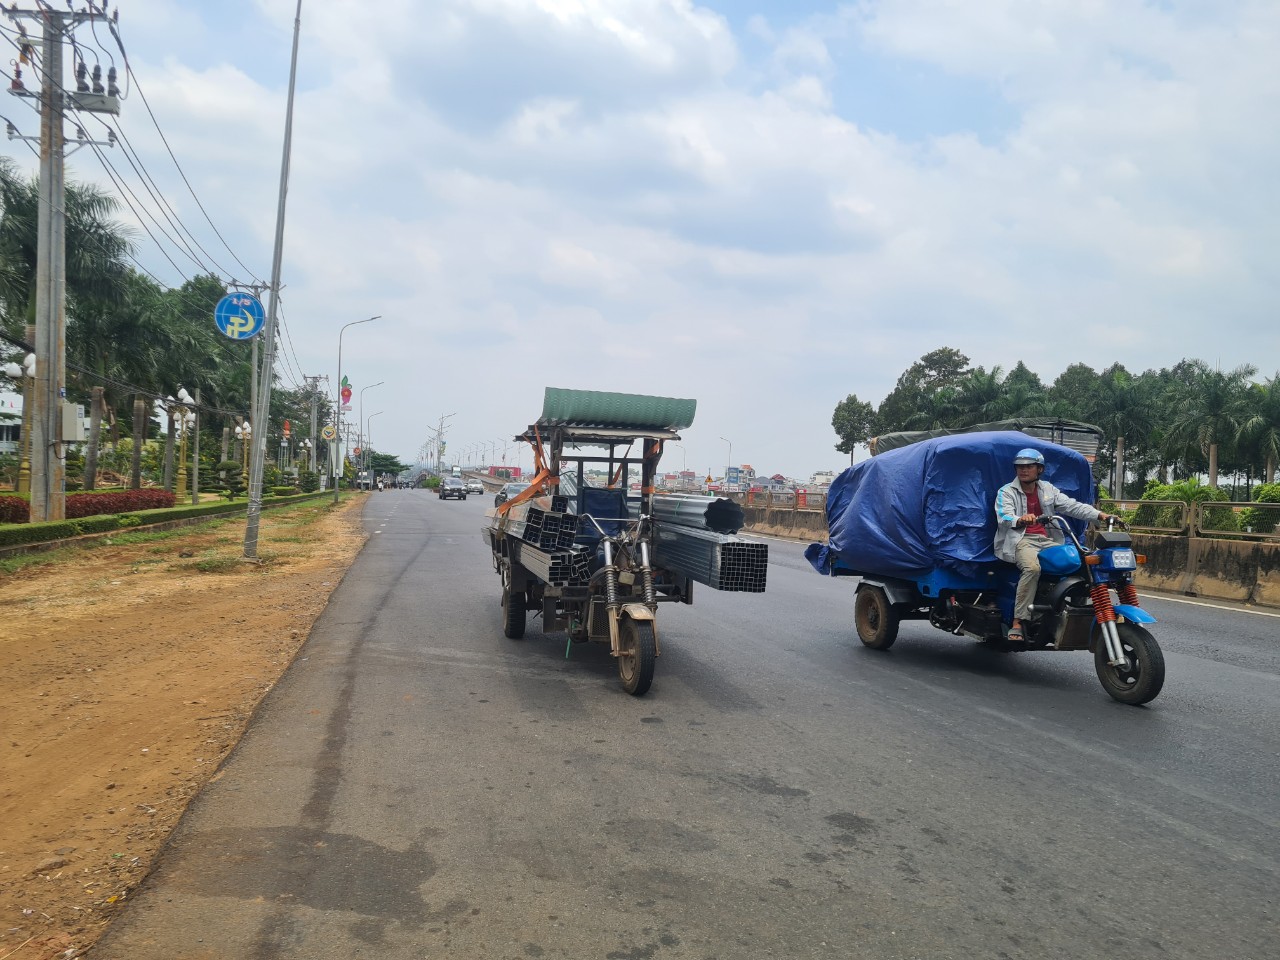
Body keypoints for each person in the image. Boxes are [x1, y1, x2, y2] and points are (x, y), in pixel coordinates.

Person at [994, 448, 1117, 641]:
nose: (1023, 470)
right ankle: (1018, 621)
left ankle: (1078, 610)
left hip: (1048, 541)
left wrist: (1099, 515)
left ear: (1039, 469)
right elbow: (1004, 515)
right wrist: (1021, 519)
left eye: (1029, 466)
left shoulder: (1048, 490)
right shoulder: (1006, 491)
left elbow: (1072, 506)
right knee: (1032, 569)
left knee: (1083, 562)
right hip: (1021, 540)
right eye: (1020, 466)